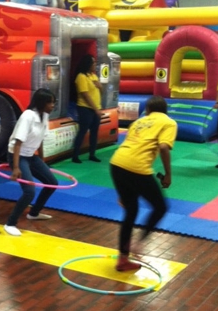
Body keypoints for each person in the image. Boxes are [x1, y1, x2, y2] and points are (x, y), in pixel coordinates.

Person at [110, 96, 177, 272]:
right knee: (160, 207)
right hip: (137, 168)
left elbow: (131, 147)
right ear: (165, 110)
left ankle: (123, 259)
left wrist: (124, 190)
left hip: (117, 164)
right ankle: (138, 244)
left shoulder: (139, 121)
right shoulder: (169, 123)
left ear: (147, 110)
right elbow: (163, 147)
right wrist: (168, 174)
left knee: (131, 210)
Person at [4, 88, 58, 236]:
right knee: (29, 191)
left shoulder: (44, 116)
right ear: (41, 103)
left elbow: (40, 140)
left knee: (52, 183)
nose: (52, 105)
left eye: (53, 102)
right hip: (17, 155)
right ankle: (10, 223)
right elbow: (17, 143)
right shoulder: (27, 116)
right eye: (50, 103)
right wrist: (15, 168)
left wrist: (42, 161)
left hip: (30, 156)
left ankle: (34, 213)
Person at [72, 54, 102, 164]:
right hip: (85, 108)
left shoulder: (93, 76)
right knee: (83, 131)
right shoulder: (81, 77)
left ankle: (92, 154)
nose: (95, 64)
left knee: (95, 132)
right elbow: (85, 94)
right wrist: (95, 109)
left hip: (95, 108)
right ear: (88, 64)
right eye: (93, 62)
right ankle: (75, 155)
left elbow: (100, 92)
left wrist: (100, 86)